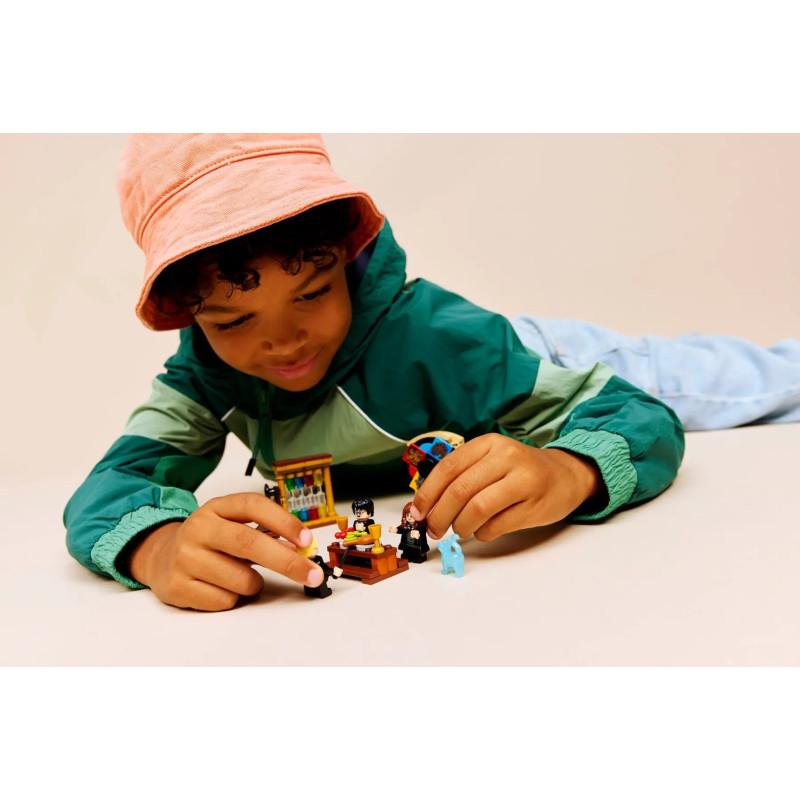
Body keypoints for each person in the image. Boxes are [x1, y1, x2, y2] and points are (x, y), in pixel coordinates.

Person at [62, 133, 795, 612]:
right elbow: (110, 486)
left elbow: (636, 413)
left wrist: (567, 470)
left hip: (529, 356)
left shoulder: (438, 340)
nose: (282, 342)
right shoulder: (202, 382)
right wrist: (157, 547)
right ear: (191, 317)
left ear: (348, 261)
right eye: (233, 321)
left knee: (726, 384)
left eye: (312, 294)